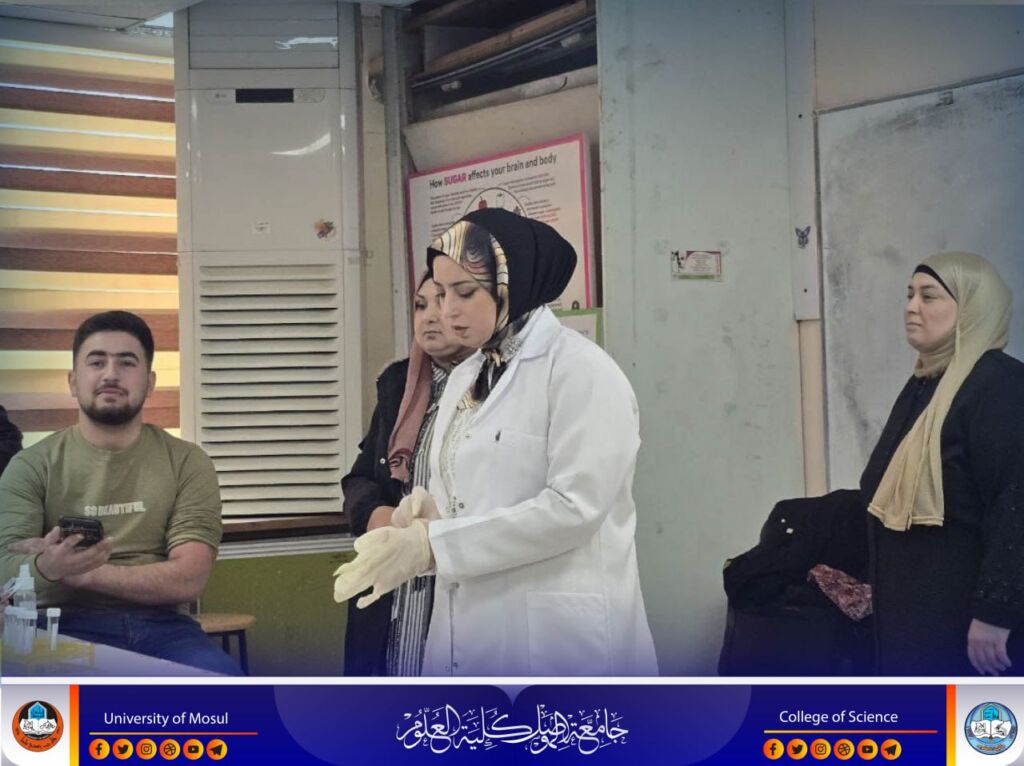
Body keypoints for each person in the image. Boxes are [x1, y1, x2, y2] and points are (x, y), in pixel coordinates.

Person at [335, 209, 659, 676]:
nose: (448, 310)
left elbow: (575, 509)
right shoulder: (469, 376)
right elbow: (474, 493)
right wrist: (424, 516)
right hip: (469, 630)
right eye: (440, 293)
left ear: (512, 284)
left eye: (465, 292)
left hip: (560, 639)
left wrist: (436, 544)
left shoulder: (581, 371)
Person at [0, 311, 239, 675]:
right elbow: (4, 567)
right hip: (58, 627)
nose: (110, 374)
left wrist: (78, 572)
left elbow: (190, 577)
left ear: (150, 381)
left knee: (226, 687)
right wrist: (47, 566)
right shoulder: (31, 465)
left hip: (165, 630)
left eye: (126, 363)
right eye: (96, 362)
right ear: (73, 381)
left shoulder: (188, 462)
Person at [864, 252, 1024, 676]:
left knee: (966, 719)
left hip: (968, 625)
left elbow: (1016, 506)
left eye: (929, 296)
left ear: (971, 307)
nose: (911, 307)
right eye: (909, 294)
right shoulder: (928, 381)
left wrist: (996, 613)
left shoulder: (1001, 386)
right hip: (915, 612)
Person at [342, 276, 472, 675]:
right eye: (420, 305)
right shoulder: (399, 385)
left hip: (458, 572)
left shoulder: (497, 387)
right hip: (393, 583)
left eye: (442, 302)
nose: (429, 317)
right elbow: (360, 479)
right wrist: (378, 516)